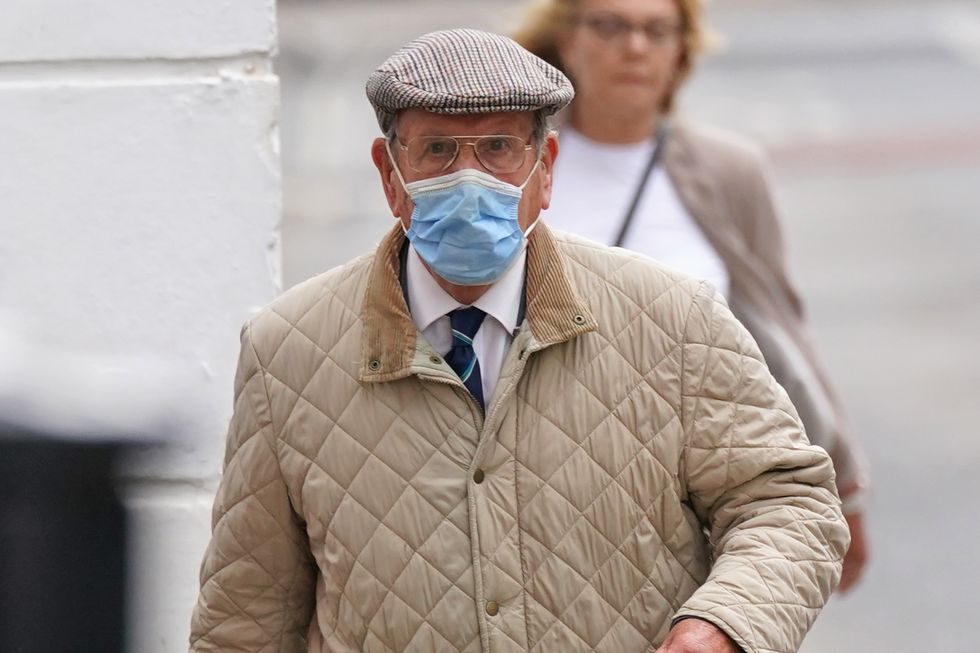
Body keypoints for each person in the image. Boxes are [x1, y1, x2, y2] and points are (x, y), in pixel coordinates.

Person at [189, 29, 848, 653]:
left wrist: (724, 623)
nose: (470, 181)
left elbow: (787, 499)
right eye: (439, 151)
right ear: (390, 175)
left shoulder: (673, 317)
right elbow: (246, 616)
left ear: (545, 168)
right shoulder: (288, 351)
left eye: (499, 148)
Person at [513, 0, 870, 593]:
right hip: (545, 477)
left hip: (692, 483)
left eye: (657, 30)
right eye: (610, 26)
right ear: (565, 41)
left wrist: (846, 482)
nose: (635, 48)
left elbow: (778, 330)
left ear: (682, 50)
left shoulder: (729, 170)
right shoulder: (515, 161)